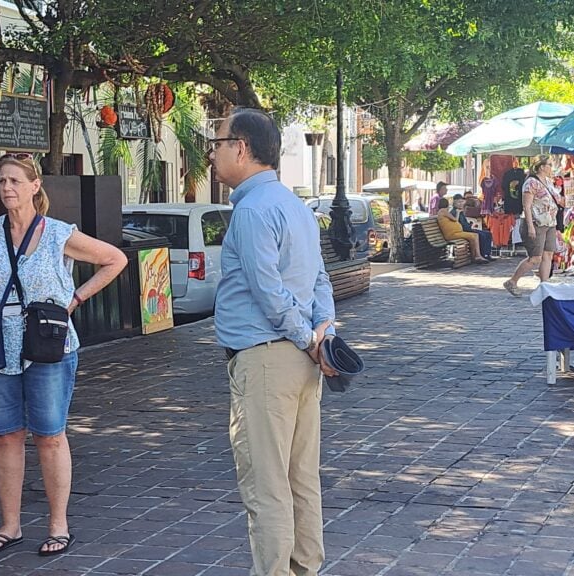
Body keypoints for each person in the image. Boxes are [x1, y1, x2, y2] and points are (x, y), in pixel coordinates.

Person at [0, 153, 127, 557]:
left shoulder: (57, 233)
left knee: (49, 435)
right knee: (5, 436)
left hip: (48, 343)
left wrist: (75, 298)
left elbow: (115, 258)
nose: (7, 188)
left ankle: (58, 524)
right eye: (2, 181)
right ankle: (10, 524)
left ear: (35, 186)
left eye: (16, 181)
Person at [211, 107, 339, 576]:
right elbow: (318, 279)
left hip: (266, 359)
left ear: (241, 149)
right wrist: (322, 332)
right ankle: (306, 568)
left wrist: (310, 336)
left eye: (218, 143)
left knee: (266, 487)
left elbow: (269, 291)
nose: (214, 153)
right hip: (301, 362)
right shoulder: (294, 206)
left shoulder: (252, 210)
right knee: (301, 479)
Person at [503, 155, 560, 295]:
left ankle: (544, 286)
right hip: (537, 223)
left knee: (548, 254)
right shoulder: (531, 183)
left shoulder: (548, 181)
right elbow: (526, 206)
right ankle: (512, 281)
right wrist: (530, 226)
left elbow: (557, 199)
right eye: (549, 165)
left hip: (550, 222)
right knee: (535, 258)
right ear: (541, 167)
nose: (551, 168)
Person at [436, 197, 490, 264]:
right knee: (475, 236)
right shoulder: (443, 211)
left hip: (456, 233)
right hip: (452, 234)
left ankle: (476, 256)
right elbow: (455, 219)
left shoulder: (443, 211)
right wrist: (458, 213)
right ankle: (477, 256)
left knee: (475, 236)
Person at [450, 193, 495, 260]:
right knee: (481, 235)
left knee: (488, 234)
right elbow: (455, 223)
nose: (460, 204)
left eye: (461, 201)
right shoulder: (454, 212)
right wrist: (458, 214)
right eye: (458, 202)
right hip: (463, 231)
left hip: (468, 229)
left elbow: (465, 222)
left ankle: (487, 254)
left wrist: (470, 225)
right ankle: (483, 255)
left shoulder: (461, 211)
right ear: (454, 203)